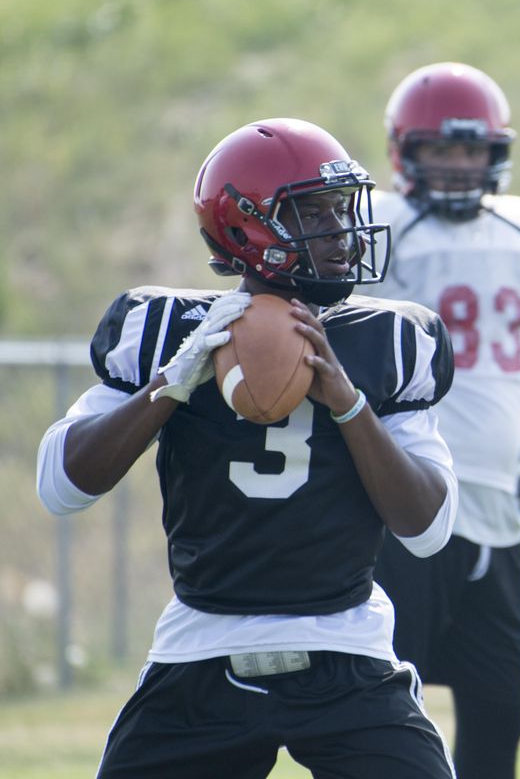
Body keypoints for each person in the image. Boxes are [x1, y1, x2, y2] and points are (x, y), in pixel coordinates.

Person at [35, 118, 459, 778]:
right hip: (201, 651)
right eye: (313, 213)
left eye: (341, 209)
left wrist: (348, 403)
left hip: (347, 651)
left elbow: (428, 528)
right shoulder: (165, 333)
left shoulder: (388, 337)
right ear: (245, 228)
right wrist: (172, 382)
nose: (342, 234)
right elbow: (59, 486)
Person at [361, 62, 520, 779]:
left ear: (495, 153)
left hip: (499, 513)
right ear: (404, 154)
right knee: (388, 716)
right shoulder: (378, 230)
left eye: (471, 150)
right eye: (441, 151)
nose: (457, 167)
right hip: (406, 508)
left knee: (498, 715)